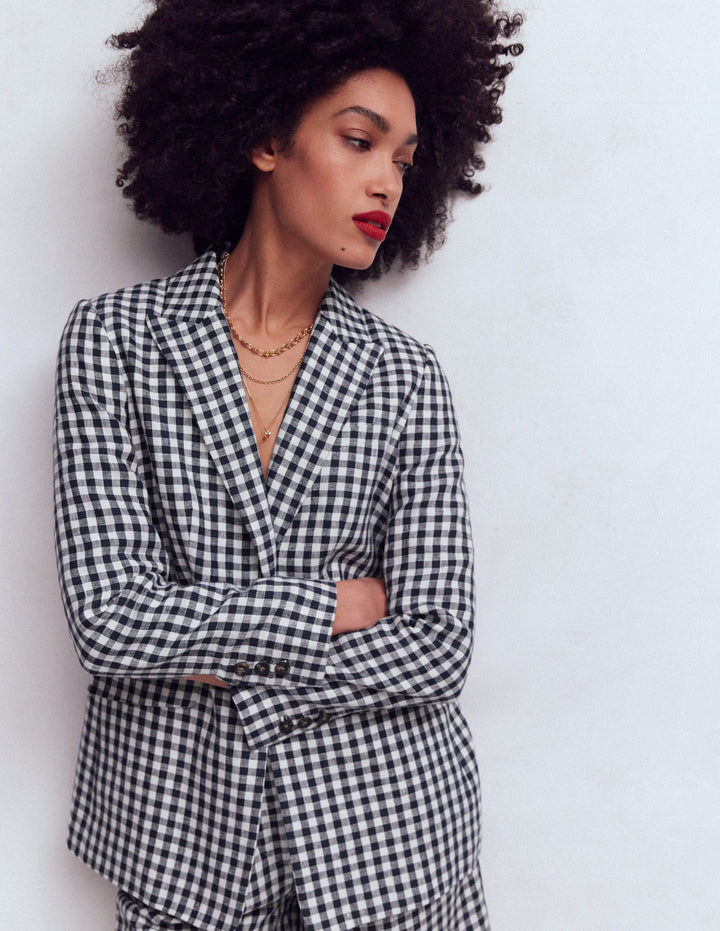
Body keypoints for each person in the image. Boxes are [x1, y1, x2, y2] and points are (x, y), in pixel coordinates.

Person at [53, 2, 523, 929]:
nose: (386, 180)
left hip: (385, 844)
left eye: (404, 160)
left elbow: (437, 643)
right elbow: (109, 621)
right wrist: (332, 607)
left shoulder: (404, 375)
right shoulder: (113, 342)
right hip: (185, 847)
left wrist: (205, 649)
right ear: (267, 138)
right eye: (360, 140)